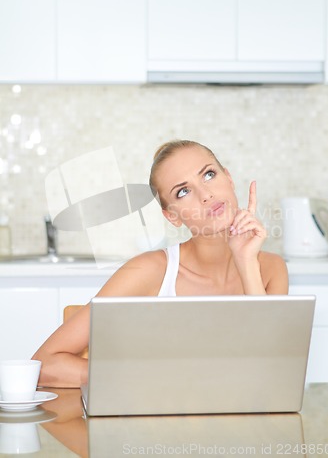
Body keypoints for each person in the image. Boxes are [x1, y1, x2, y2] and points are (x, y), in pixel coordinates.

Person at [32, 140, 288, 388]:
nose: (206, 195)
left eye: (209, 174)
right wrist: (150, 377)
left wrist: (246, 263)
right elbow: (44, 365)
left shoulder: (271, 269)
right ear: (172, 216)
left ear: (229, 179)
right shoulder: (150, 271)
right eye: (183, 191)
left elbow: (272, 374)